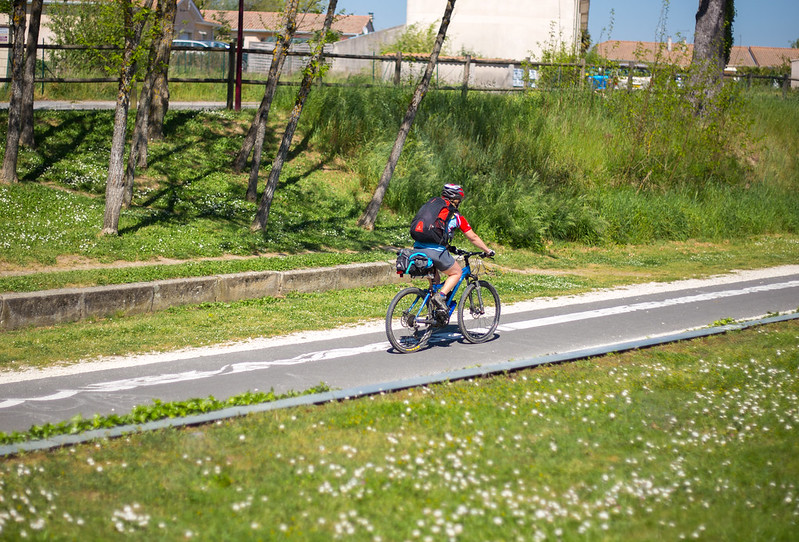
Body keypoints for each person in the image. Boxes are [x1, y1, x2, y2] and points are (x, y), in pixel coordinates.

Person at [411, 183, 495, 313]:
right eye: (459, 199)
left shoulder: (432, 206)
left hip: (418, 247)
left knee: (436, 280)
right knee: (457, 273)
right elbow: (472, 237)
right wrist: (487, 251)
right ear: (455, 198)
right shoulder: (454, 215)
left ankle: (434, 314)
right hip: (435, 251)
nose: (460, 201)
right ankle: (441, 297)